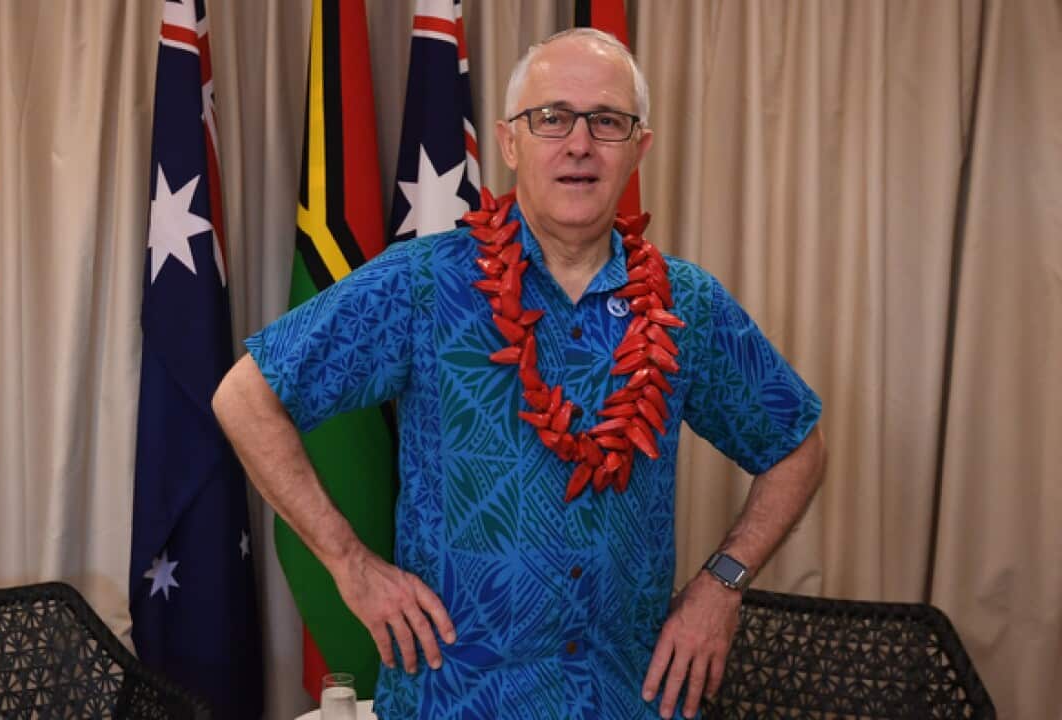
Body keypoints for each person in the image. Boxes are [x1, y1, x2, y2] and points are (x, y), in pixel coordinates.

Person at [213, 28, 826, 720]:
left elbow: (796, 447)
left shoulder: (690, 306)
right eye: (552, 117)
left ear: (639, 149)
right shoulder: (425, 284)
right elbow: (245, 398)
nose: (579, 143)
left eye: (608, 121)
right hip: (456, 700)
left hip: (626, 699)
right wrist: (350, 563)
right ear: (509, 143)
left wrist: (723, 584)